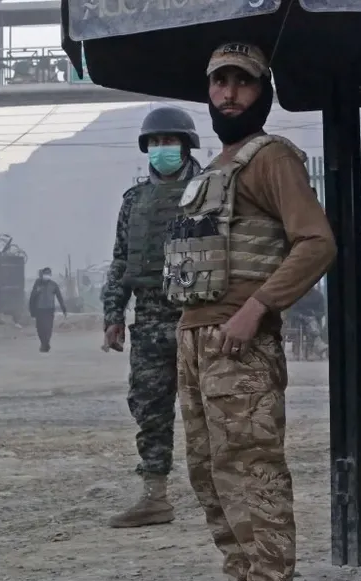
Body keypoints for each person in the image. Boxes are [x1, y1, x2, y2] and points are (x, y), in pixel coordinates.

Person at [165, 43, 336, 581]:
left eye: (242, 83)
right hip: (198, 340)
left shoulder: (272, 160)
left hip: (239, 342)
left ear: (262, 92)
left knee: (253, 477)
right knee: (212, 476)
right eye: (220, 83)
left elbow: (316, 242)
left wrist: (258, 307)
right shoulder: (218, 166)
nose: (229, 93)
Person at [101, 105, 202, 529]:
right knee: (149, 407)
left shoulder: (209, 191)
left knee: (211, 409)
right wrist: (113, 314)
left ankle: (221, 493)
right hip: (150, 319)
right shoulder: (135, 201)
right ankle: (154, 496)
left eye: (170, 141)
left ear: (186, 145)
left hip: (200, 315)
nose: (163, 149)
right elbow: (122, 259)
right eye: (156, 142)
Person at [29, 267, 66, 352]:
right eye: (45, 273)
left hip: (49, 309)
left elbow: (59, 297)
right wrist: (32, 310)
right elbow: (32, 297)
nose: (47, 275)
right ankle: (43, 343)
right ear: (42, 274)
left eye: (48, 274)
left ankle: (46, 343)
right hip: (39, 310)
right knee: (40, 328)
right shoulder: (38, 284)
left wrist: (63, 308)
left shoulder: (53, 285)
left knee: (48, 328)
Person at [285, 286, 327, 358]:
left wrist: (314, 315)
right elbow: (291, 311)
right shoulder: (297, 294)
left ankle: (310, 350)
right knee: (310, 322)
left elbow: (322, 312)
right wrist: (301, 316)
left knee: (311, 322)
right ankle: (317, 345)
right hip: (298, 320)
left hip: (313, 319)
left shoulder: (318, 295)